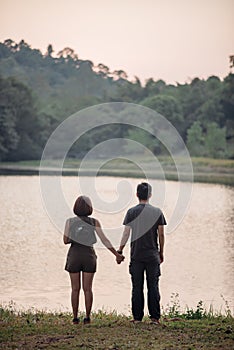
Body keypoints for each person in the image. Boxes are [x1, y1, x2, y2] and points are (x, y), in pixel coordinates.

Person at [64, 195, 124, 325]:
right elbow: (104, 239)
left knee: (75, 288)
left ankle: (75, 318)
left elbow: (65, 240)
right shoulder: (94, 222)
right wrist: (116, 254)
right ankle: (87, 317)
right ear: (90, 208)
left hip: (74, 255)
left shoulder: (70, 221)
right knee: (88, 288)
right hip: (89, 256)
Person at [117, 182, 166, 324]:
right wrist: (161, 252)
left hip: (136, 255)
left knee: (137, 287)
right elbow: (161, 235)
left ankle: (137, 318)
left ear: (137, 194)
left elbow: (126, 233)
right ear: (150, 195)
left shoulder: (131, 212)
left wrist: (120, 250)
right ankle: (155, 318)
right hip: (152, 255)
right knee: (153, 286)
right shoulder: (157, 212)